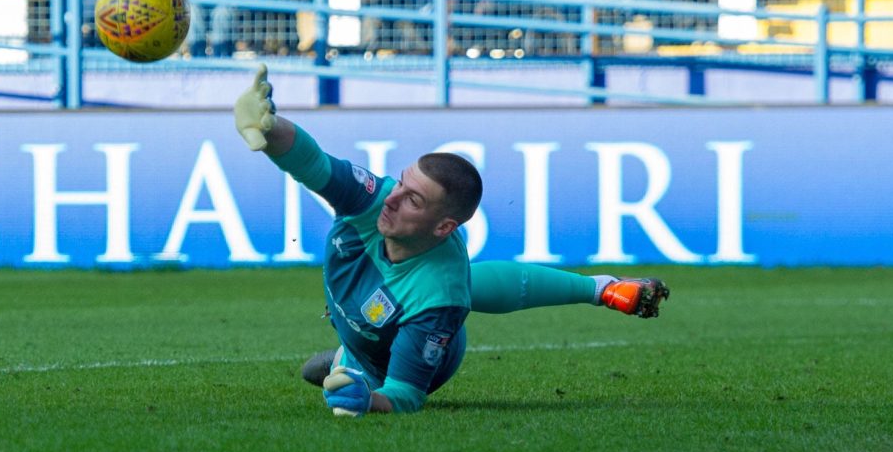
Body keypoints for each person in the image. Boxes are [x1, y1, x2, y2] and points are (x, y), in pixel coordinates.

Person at [233, 64, 671, 416]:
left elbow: (405, 395)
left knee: (434, 304)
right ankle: (604, 288)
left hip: (407, 354)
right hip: (382, 296)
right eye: (401, 183)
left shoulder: (438, 297)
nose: (393, 199)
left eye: (413, 201)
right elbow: (311, 161)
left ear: (444, 226)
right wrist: (270, 131)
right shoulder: (377, 198)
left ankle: (349, 363)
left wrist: (369, 401)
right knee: (467, 281)